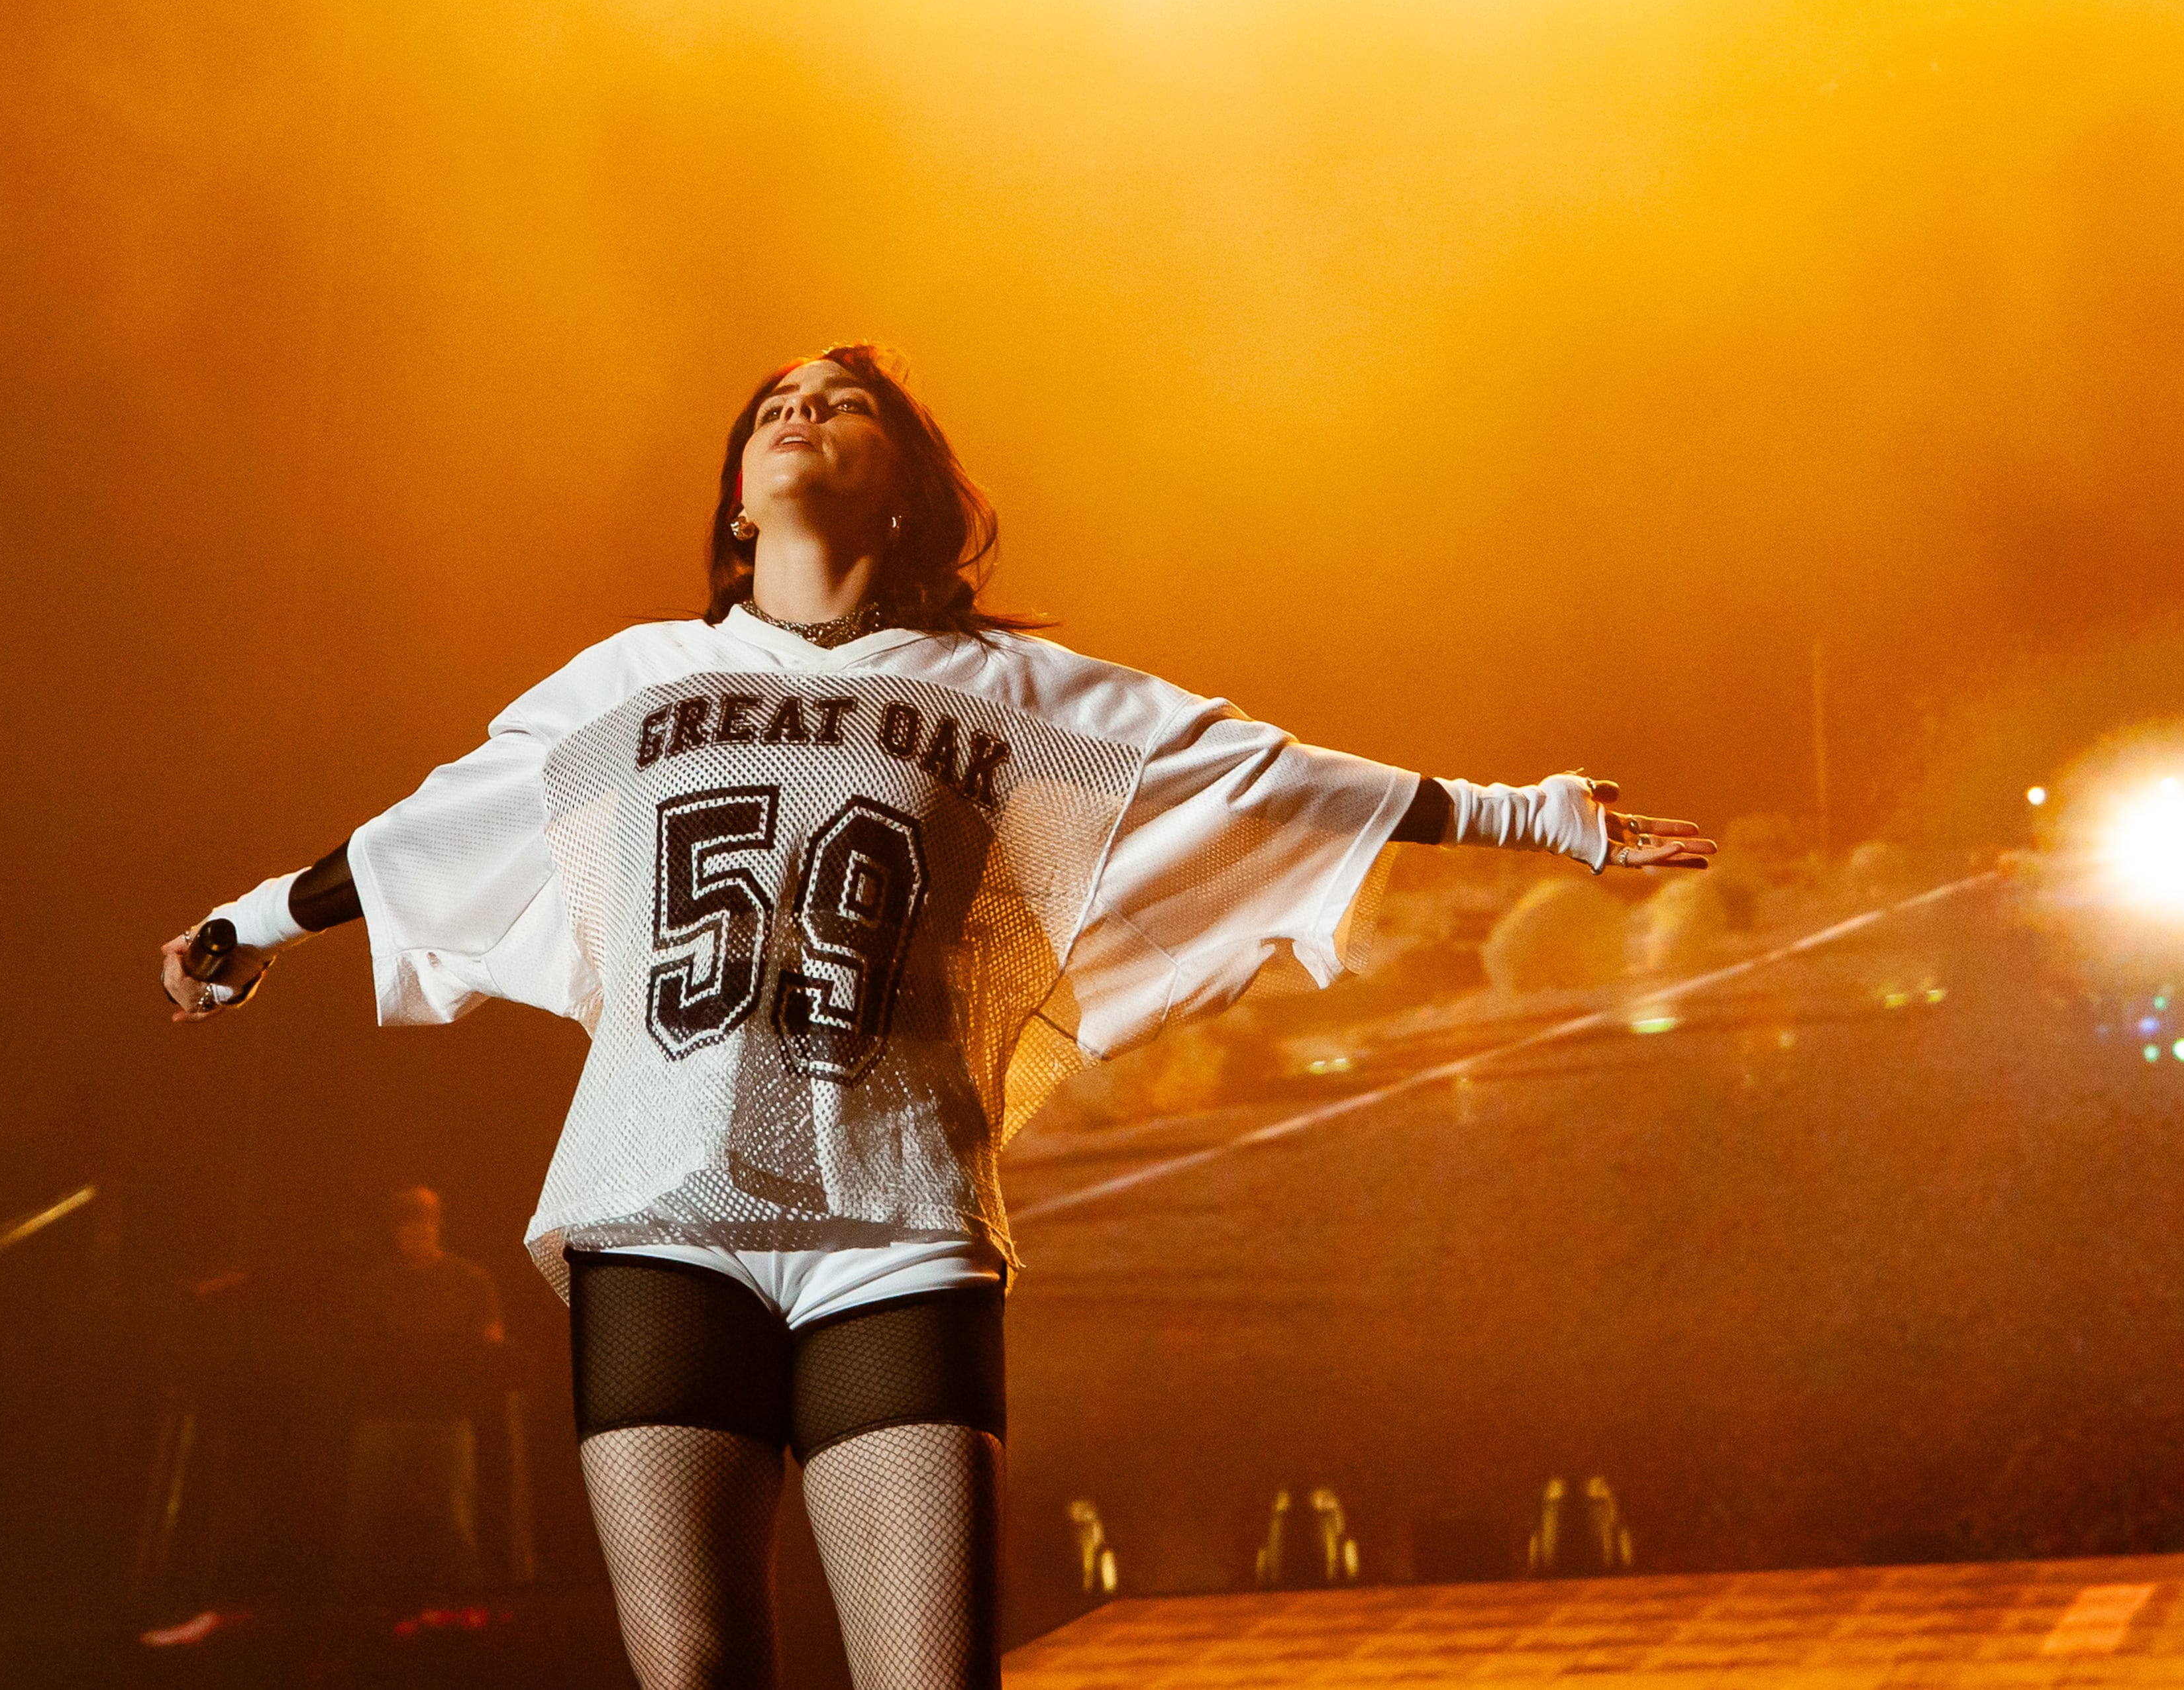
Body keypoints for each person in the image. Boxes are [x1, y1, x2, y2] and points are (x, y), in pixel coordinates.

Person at [160, 343, 1715, 1690]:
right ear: (732, 500)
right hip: (657, 1206)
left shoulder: (1011, 686)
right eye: (777, 402)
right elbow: (437, 824)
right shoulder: (632, 678)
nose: (804, 411)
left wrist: (1538, 819)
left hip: (894, 1213)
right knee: (695, 1668)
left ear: (901, 486)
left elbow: (1254, 770)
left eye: (844, 404)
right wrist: (246, 921)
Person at [343, 1186, 505, 1592]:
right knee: (364, 1517)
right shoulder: (376, 1284)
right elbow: (359, 1349)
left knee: (455, 1515)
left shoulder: (469, 1280)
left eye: (425, 1223)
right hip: (386, 1414)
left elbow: (493, 1340)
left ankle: (465, 1597)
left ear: (438, 1226)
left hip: (446, 1413)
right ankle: (358, 1595)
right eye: (407, 1225)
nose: (417, 1232)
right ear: (396, 1232)